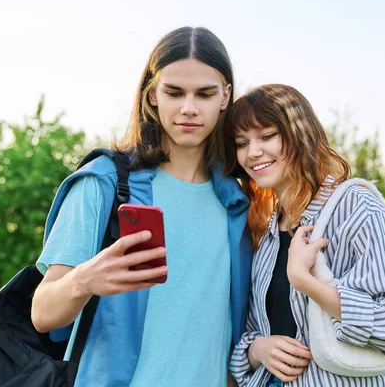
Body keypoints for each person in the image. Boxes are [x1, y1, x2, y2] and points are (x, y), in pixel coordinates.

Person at [31, 26, 252, 387]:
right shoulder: (102, 182)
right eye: (174, 92)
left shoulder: (237, 202)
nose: (189, 108)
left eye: (205, 94)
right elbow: (42, 313)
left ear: (225, 96)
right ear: (152, 95)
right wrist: (85, 280)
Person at [223, 84, 385, 386]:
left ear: (300, 133)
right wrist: (257, 350)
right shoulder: (267, 233)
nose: (253, 152)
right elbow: (258, 332)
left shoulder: (356, 207)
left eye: (267, 136)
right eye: (241, 143)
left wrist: (306, 282)